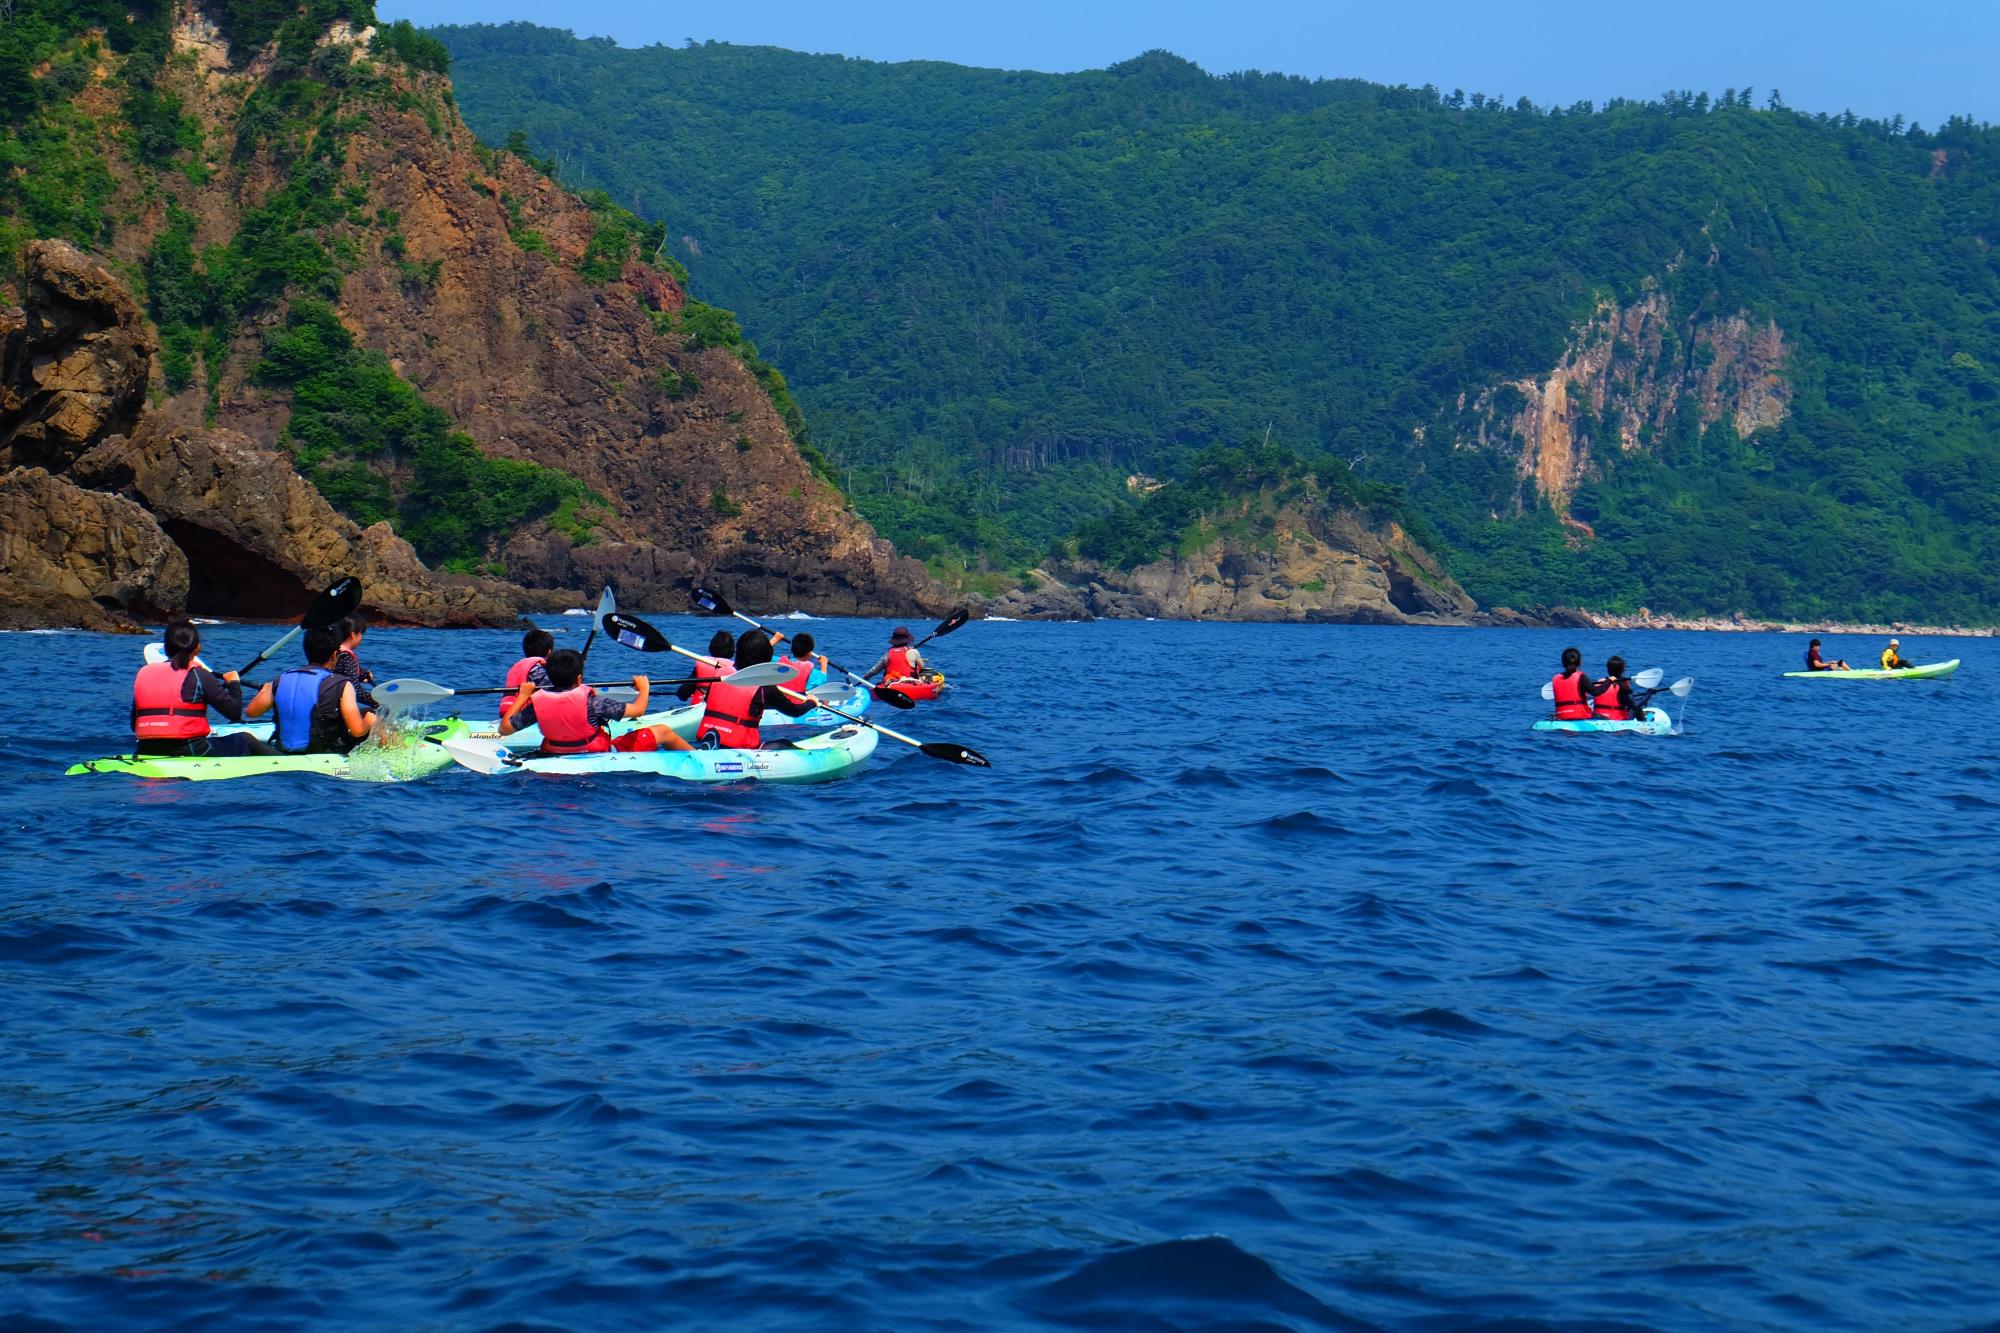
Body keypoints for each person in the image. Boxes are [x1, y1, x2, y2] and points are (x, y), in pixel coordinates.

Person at [498, 648, 689, 755]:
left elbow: (504, 729)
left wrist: (523, 696)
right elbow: (638, 710)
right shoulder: (594, 702)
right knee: (662, 731)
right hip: (596, 752)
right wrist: (644, 687)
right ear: (579, 678)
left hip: (554, 752)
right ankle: (703, 758)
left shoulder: (537, 702)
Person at [130, 621, 278, 757]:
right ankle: (287, 761)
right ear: (197, 648)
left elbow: (133, 724)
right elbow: (234, 713)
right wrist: (233, 684)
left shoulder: (144, 673)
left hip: (145, 748)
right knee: (244, 739)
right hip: (190, 749)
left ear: (166, 648)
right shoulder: (199, 675)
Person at [244, 624, 377, 754]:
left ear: (306, 650)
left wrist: (266, 689)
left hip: (283, 750)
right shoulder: (343, 684)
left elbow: (251, 712)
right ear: (335, 655)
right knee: (372, 716)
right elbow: (357, 730)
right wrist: (370, 720)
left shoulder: (281, 679)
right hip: (325, 754)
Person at [696, 632, 816, 749]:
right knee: (784, 744)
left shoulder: (719, 675)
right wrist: (811, 702)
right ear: (766, 656)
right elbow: (794, 711)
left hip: (707, 736)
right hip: (741, 747)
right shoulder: (765, 686)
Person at [500, 628, 555, 720]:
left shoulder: (517, 666)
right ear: (549, 652)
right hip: (522, 715)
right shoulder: (538, 668)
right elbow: (557, 688)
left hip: (506, 711)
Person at [676, 630, 740, 706]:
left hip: (699, 709)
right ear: (732, 652)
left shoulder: (703, 665)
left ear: (710, 649)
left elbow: (682, 694)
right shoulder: (735, 670)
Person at [332, 612, 376, 709]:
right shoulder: (347, 657)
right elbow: (355, 691)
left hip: (331, 702)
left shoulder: (334, 652)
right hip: (339, 709)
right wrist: (377, 702)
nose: (361, 637)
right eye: (361, 633)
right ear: (352, 635)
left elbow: (342, 675)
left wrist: (362, 676)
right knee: (371, 715)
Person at [1589, 655, 1647, 722]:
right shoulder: (1623, 686)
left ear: (1608, 669)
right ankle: (1644, 722)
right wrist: (1648, 694)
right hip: (1616, 719)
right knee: (1636, 708)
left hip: (1597, 717)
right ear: (1623, 670)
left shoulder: (1599, 682)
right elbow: (1635, 705)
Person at [774, 631, 832, 696]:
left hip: (777, 701)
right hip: (796, 704)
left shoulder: (778, 661)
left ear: (792, 649)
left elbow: (763, 653)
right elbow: (822, 679)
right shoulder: (812, 673)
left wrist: (775, 639)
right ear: (809, 654)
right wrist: (824, 663)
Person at [1549, 646, 1593, 721]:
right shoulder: (1581, 677)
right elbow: (1596, 692)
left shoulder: (1555, 678)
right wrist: (1608, 682)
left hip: (1561, 716)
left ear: (1563, 662)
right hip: (1580, 716)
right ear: (1579, 662)